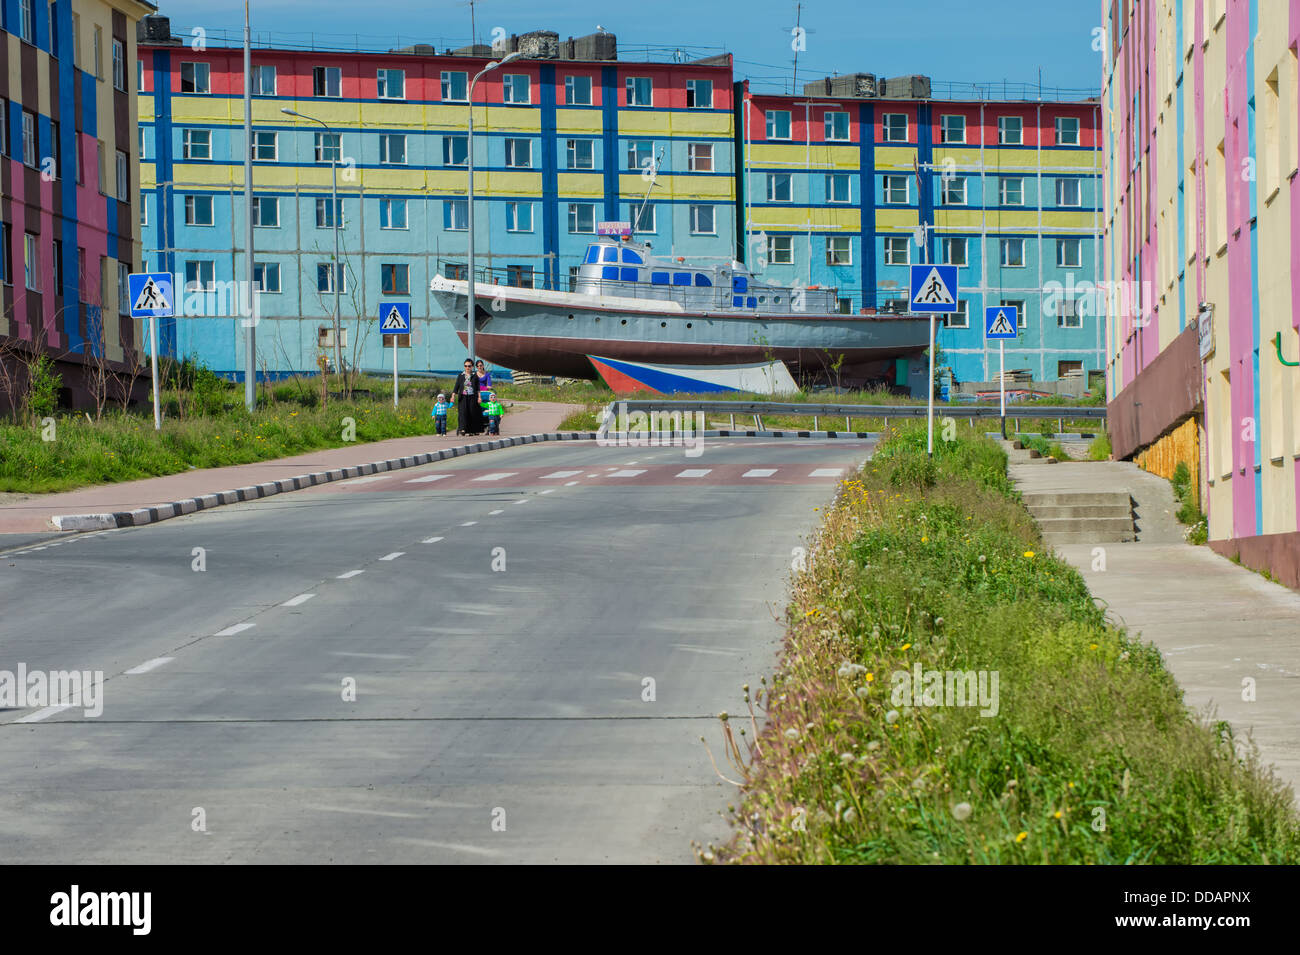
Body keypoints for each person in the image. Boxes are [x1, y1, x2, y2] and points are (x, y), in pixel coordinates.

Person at [452, 359, 482, 435]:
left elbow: (478, 388)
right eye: (466, 366)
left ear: (472, 367)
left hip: (472, 397)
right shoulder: (461, 376)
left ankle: (472, 430)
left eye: (469, 366)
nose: (467, 367)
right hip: (463, 397)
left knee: (472, 412)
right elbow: (456, 387)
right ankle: (462, 429)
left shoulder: (475, 376)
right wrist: (453, 396)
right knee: (463, 413)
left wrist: (479, 397)